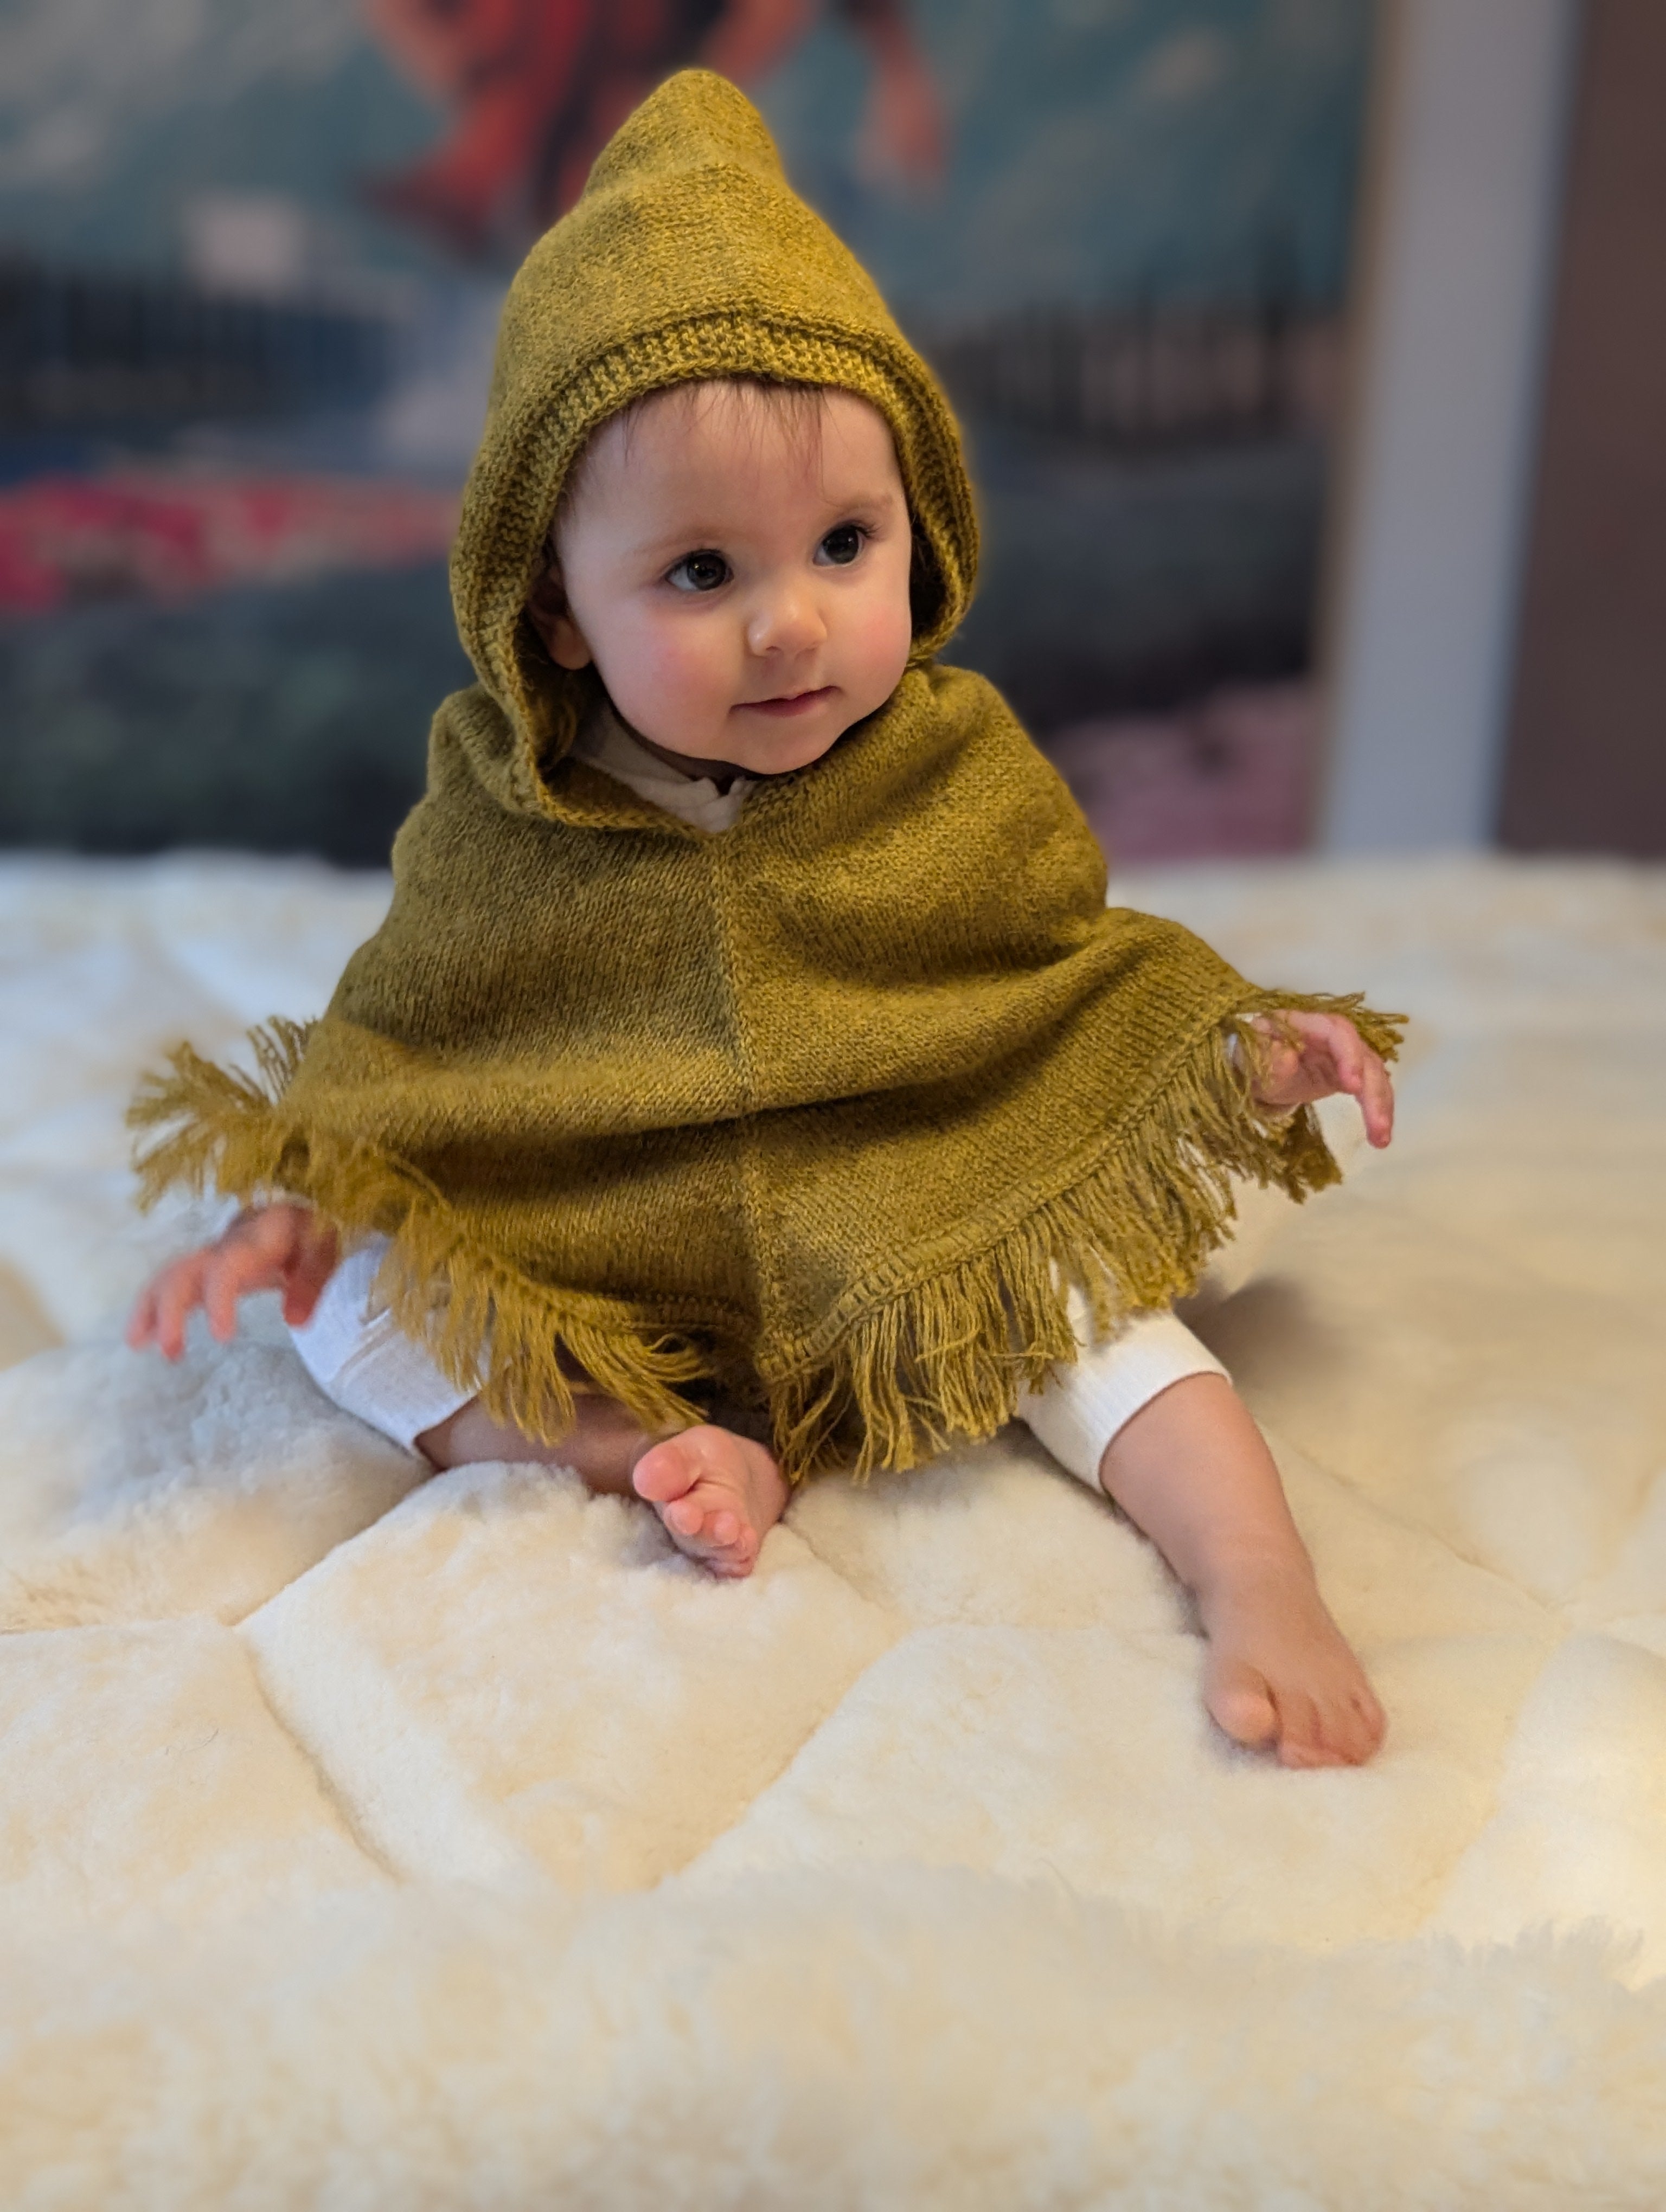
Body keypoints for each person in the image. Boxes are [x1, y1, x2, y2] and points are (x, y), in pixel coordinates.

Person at [127, 73, 1399, 1770]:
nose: (794, 626)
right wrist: (307, 1199)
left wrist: (1227, 1057)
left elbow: (1052, 991)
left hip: (903, 1200)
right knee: (357, 1318)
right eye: (702, 575)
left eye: (845, 544)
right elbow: (416, 1050)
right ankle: (633, 1445)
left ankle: (1257, 1577)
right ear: (559, 615)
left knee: (1089, 1319)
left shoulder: (949, 764)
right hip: (606, 1239)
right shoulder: (504, 819)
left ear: (918, 527)